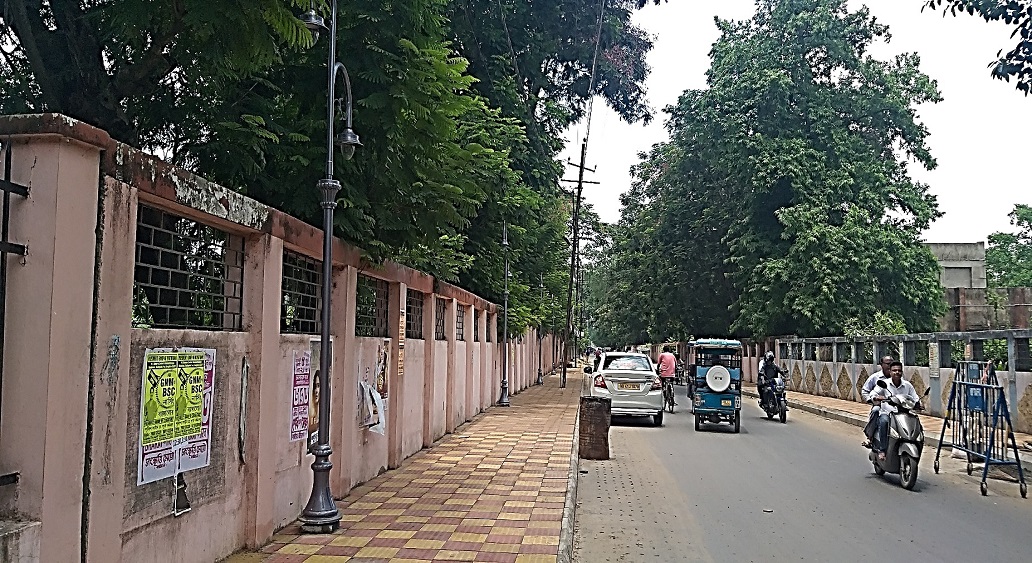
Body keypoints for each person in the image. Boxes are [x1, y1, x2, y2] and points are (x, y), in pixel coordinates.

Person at [871, 361, 919, 461]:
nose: (897, 372)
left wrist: (918, 403)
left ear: (902, 372)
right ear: (890, 372)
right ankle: (882, 449)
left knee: (916, 421)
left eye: (899, 370)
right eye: (894, 370)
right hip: (887, 413)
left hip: (904, 413)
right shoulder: (885, 384)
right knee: (883, 421)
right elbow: (874, 393)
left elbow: (915, 398)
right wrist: (876, 397)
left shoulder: (907, 385)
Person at [861, 355, 895, 445]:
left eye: (892, 363)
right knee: (876, 411)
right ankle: (870, 436)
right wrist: (872, 400)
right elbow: (865, 391)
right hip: (880, 405)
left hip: (895, 406)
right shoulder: (875, 377)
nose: (890, 366)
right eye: (888, 364)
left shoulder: (897, 378)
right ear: (881, 365)